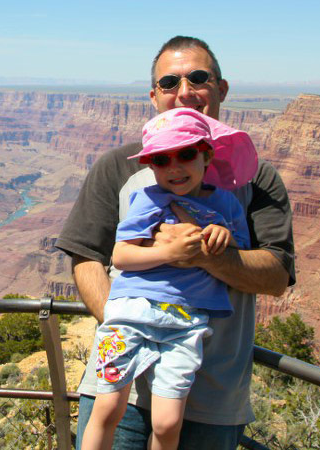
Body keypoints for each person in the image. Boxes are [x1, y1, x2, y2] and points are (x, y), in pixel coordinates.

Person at [56, 36, 296, 449]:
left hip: (212, 399)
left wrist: (202, 253)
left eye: (198, 78)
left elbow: (276, 276)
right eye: (169, 83)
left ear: (221, 89)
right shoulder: (118, 167)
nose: (184, 92)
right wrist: (132, 325)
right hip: (122, 385)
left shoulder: (257, 179)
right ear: (154, 96)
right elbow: (87, 257)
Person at [81, 108, 257, 450]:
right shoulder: (147, 199)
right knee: (108, 407)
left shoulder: (227, 205)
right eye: (161, 160)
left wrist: (223, 237)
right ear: (150, 165)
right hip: (130, 315)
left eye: (186, 154)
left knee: (167, 422)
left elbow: (240, 254)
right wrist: (169, 253)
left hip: (186, 324)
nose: (174, 167)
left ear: (207, 156)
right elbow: (121, 256)